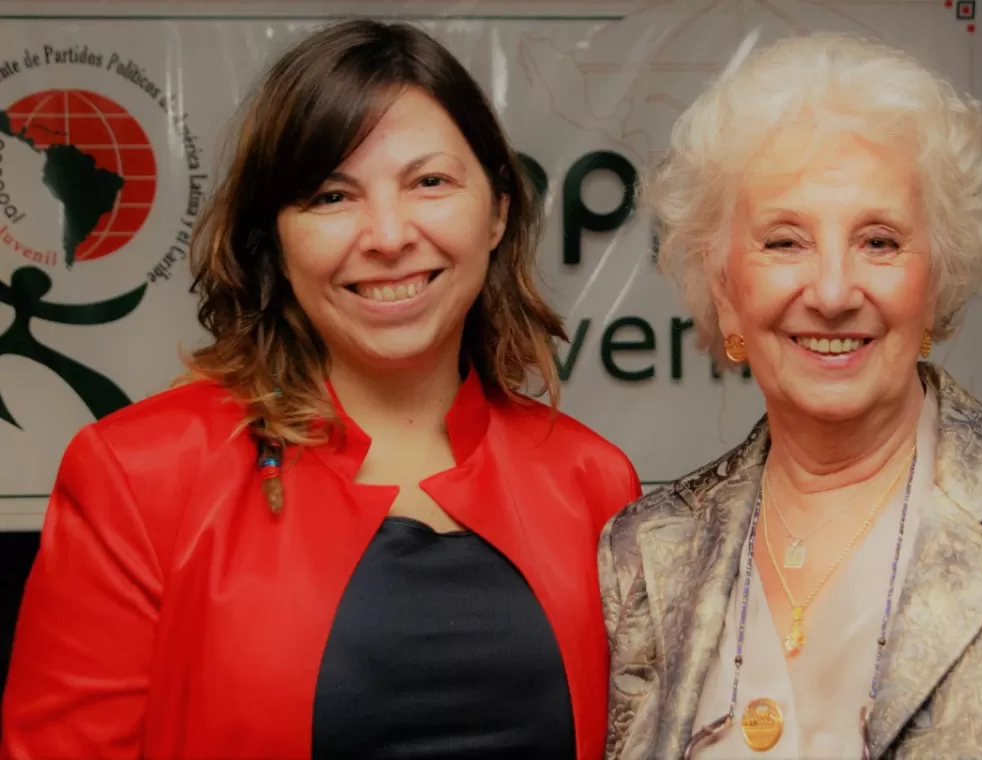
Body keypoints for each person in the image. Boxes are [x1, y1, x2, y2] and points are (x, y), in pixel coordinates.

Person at [2, 19, 639, 760]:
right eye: (332, 196)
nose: (388, 234)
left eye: (429, 182)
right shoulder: (138, 474)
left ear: (497, 211)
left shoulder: (595, 481)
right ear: (273, 236)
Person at [600, 33, 982, 760]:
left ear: (937, 283)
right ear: (726, 291)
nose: (830, 292)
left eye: (879, 242)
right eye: (784, 242)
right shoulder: (647, 553)